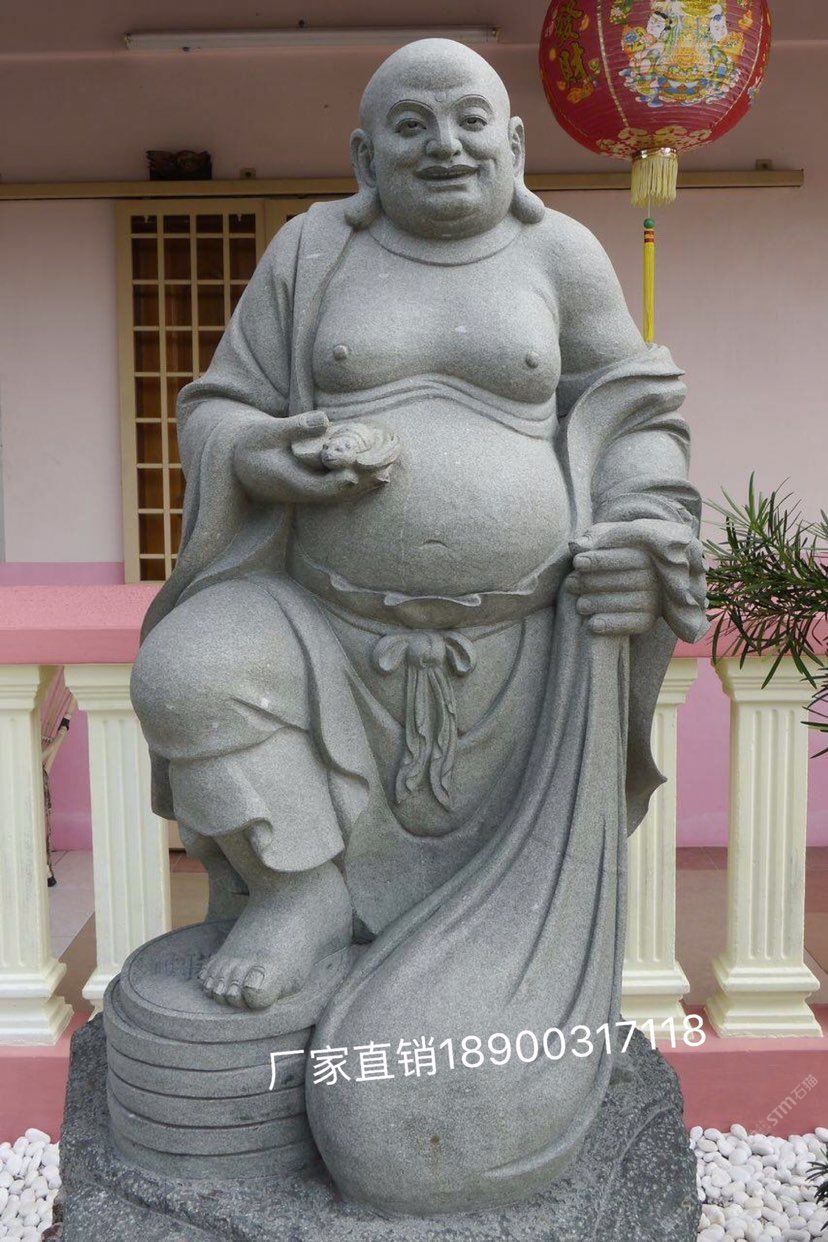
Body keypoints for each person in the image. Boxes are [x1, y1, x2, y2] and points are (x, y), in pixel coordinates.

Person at [132, 38, 703, 1048]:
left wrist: (643, 526)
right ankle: (299, 892)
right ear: (365, 157)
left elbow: (636, 412)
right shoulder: (312, 252)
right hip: (320, 617)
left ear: (513, 145)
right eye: (411, 125)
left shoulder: (560, 255)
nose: (446, 144)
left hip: (523, 639)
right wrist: (263, 454)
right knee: (184, 674)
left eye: (470, 120)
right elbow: (219, 404)